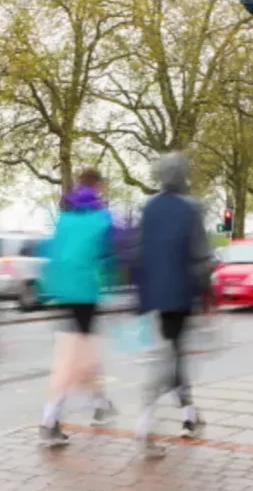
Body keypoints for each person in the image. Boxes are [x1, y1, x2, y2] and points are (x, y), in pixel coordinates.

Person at [134, 152, 211, 456]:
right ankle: (145, 426)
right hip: (181, 296)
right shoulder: (190, 209)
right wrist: (206, 296)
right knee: (169, 361)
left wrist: (141, 297)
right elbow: (200, 256)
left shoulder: (149, 208)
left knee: (173, 354)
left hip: (156, 297)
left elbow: (139, 254)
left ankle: (189, 416)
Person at [38, 168, 117, 444]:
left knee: (82, 351)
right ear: (97, 187)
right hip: (86, 292)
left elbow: (51, 251)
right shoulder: (102, 218)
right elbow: (108, 257)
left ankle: (100, 402)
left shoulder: (63, 218)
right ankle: (49, 420)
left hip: (63, 291)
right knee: (72, 359)